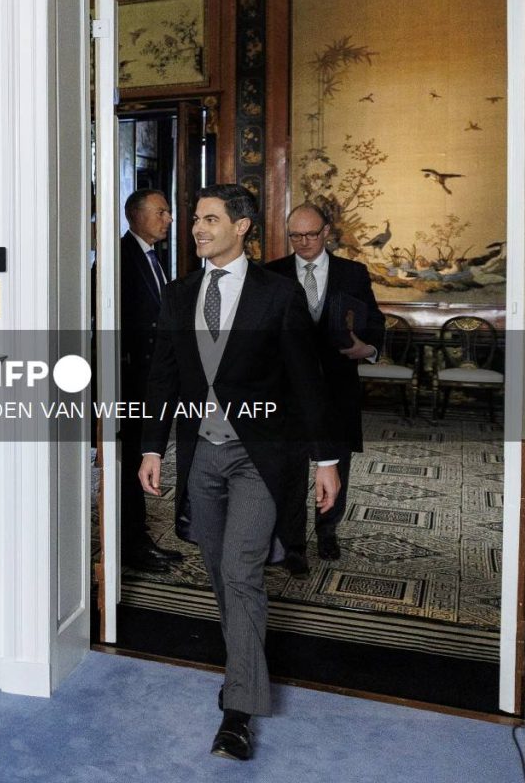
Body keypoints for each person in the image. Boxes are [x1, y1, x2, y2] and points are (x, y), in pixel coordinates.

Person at [139, 184, 342, 761]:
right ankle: (244, 667)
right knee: (220, 572)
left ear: (243, 226)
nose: (197, 228)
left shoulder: (277, 297)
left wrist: (325, 460)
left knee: (240, 570)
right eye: (195, 220)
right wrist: (152, 449)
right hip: (201, 456)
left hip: (259, 458)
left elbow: (308, 381)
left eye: (209, 219)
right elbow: (163, 377)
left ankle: (239, 711)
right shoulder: (179, 296)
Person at [266, 203, 383, 567]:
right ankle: (292, 545)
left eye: (311, 234)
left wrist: (370, 348)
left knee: (336, 465)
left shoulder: (353, 273)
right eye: (295, 236)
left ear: (326, 232)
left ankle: (327, 531)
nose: (303, 242)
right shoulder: (271, 274)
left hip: (336, 390)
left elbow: (374, 322)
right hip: (286, 393)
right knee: (289, 469)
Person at [117, 188, 184, 571]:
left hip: (151, 381)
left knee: (143, 459)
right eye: (161, 212)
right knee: (130, 464)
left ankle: (139, 541)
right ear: (136, 216)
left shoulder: (153, 258)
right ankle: (133, 547)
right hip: (130, 382)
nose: (169, 219)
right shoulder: (120, 259)